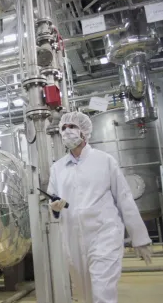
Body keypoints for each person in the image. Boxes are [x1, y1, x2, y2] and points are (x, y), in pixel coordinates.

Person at [47, 111, 152, 303]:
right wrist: (54, 207)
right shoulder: (57, 168)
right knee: (85, 294)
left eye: (72, 127)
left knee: (102, 292)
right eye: (63, 128)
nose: (67, 131)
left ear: (84, 132)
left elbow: (125, 199)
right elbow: (52, 201)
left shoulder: (105, 161)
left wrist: (140, 239)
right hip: (73, 239)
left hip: (105, 234)